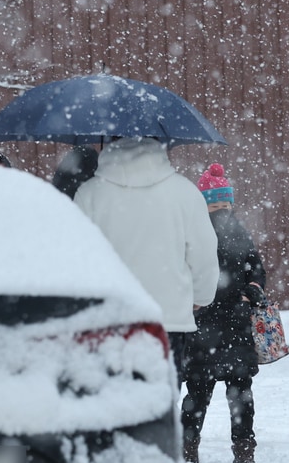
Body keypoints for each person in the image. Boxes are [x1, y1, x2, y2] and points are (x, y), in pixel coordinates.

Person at [74, 137, 219, 381]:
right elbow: (204, 252)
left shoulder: (89, 194)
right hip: (168, 321)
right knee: (161, 407)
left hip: (108, 322)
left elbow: (78, 258)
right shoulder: (184, 192)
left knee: (111, 409)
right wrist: (201, 297)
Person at [184, 163, 267, 463]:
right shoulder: (193, 234)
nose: (220, 211)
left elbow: (255, 267)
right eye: (213, 205)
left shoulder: (240, 233)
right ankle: (187, 447)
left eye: (224, 205)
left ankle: (244, 449)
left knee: (241, 392)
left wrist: (254, 287)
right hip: (202, 324)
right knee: (197, 392)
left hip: (235, 323)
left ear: (232, 204)